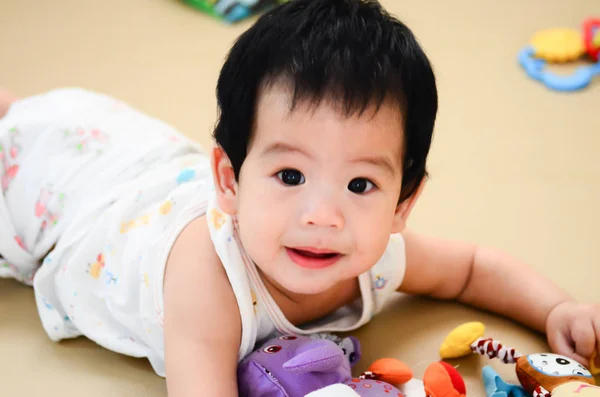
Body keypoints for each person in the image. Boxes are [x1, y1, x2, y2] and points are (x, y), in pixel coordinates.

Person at [0, 1, 597, 396]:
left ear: (402, 204)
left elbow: (470, 270)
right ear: (229, 182)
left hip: (141, 172)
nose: (323, 216)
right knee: (20, 128)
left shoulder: (377, 255)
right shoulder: (207, 284)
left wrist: (556, 311)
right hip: (62, 196)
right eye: (290, 175)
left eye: (360, 185)